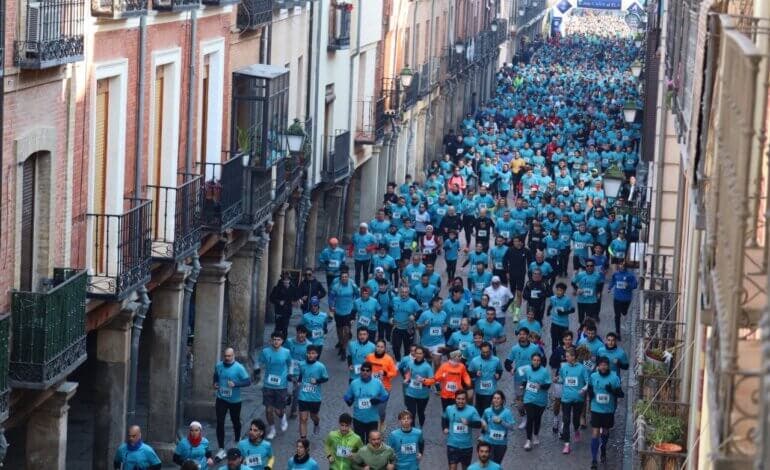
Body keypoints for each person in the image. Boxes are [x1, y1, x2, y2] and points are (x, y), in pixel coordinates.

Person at [588, 357, 624, 469]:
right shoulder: (593, 376)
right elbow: (589, 388)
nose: (603, 367)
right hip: (596, 409)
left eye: (605, 365)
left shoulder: (614, 378)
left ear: (608, 366)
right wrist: (591, 395)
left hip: (608, 410)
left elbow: (621, 394)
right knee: (595, 433)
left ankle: (603, 447)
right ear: (598, 366)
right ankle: (594, 459)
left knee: (605, 431)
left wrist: (612, 391)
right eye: (601, 365)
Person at [343, 361, 390, 444]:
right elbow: (347, 396)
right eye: (363, 370)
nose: (365, 372)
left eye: (367, 370)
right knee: (359, 443)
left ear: (371, 372)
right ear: (360, 371)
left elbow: (385, 396)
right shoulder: (354, 383)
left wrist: (379, 400)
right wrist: (348, 400)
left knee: (371, 444)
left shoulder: (377, 383)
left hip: (372, 419)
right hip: (358, 418)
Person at [504, 328, 542, 429]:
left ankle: (532, 418)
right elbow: (507, 362)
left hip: (532, 379)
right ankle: (524, 417)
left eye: (524, 334)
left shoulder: (534, 348)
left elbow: (543, 361)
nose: (522, 336)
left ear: (527, 336)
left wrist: (538, 372)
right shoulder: (515, 349)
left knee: (531, 400)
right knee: (520, 403)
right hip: (519, 379)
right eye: (520, 334)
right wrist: (511, 369)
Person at [214, 347, 252, 447]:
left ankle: (237, 437)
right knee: (220, 422)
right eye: (225, 356)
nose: (227, 358)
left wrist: (235, 384)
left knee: (235, 420)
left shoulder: (239, 368)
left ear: (233, 355)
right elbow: (216, 375)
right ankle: (221, 447)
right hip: (221, 398)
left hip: (234, 400)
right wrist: (215, 383)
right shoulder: (219, 366)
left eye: (229, 356)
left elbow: (248, 382)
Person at [257, 333, 292, 439]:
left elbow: (290, 364)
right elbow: (259, 362)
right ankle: (272, 429)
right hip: (268, 385)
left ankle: (283, 417)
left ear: (282, 341)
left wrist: (290, 374)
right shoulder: (265, 352)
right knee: (268, 410)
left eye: (278, 339)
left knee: (278, 411)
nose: (276, 341)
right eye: (274, 339)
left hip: (281, 385)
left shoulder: (286, 352)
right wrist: (256, 370)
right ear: (271, 341)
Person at [559, 348, 589, 454]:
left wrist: (583, 389)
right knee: (566, 421)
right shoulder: (563, 367)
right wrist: (557, 380)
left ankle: (576, 430)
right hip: (566, 398)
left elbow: (588, 382)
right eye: (566, 356)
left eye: (567, 356)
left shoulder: (582, 368)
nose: (565, 358)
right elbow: (562, 379)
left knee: (576, 419)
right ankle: (567, 445)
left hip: (578, 399)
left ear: (573, 357)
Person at [442, 389, 482, 470]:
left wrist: (468, 423)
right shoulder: (449, 409)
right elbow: (444, 418)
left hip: (467, 447)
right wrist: (445, 427)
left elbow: (479, 424)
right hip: (452, 445)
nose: (460, 401)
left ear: (466, 400)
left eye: (463, 399)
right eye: (458, 399)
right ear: (455, 399)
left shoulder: (472, 410)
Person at [295, 345, 329, 438]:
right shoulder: (301, 364)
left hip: (315, 398)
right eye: (309, 353)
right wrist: (298, 381)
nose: (310, 355)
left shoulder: (321, 366)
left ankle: (316, 423)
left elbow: (326, 378)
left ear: (317, 355)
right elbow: (301, 374)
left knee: (313, 416)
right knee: (303, 418)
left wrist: (317, 381)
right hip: (303, 396)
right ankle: (303, 439)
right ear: (306, 354)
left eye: (313, 353)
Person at [365, 340, 398, 432]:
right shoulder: (370, 357)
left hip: (384, 388)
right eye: (378, 346)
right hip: (371, 387)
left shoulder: (388, 359)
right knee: (370, 408)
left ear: (385, 348)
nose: (379, 348)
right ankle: (372, 428)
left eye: (381, 347)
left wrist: (385, 373)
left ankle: (382, 421)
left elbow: (394, 372)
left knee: (381, 410)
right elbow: (365, 367)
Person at [521, 352, 551, 450]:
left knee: (537, 418)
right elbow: (525, 380)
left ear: (540, 361)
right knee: (530, 418)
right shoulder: (528, 370)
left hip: (540, 400)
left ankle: (536, 434)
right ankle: (528, 440)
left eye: (538, 360)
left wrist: (541, 386)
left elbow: (548, 385)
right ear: (531, 360)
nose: (536, 362)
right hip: (529, 398)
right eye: (534, 360)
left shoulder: (544, 371)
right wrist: (523, 385)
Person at [400, 346, 435, 428]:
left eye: (420, 353)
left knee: (421, 413)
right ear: (414, 354)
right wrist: (407, 378)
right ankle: (412, 430)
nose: (418, 355)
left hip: (423, 395)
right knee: (411, 412)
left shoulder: (427, 367)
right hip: (410, 393)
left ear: (423, 355)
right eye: (417, 353)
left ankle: (421, 428)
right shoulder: (410, 363)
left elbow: (432, 380)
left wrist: (424, 380)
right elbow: (408, 372)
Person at [479, 390, 515, 464]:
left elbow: (511, 427)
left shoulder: (507, 412)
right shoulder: (487, 411)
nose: (496, 400)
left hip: (501, 444)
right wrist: (482, 435)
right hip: (488, 441)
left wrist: (501, 422)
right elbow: (483, 424)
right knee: (489, 463)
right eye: (494, 398)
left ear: (502, 400)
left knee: (497, 465)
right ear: (492, 400)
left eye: (498, 398)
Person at [330, 271, 360, 360]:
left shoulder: (352, 285)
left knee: (346, 330)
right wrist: (331, 306)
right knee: (339, 331)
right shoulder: (336, 286)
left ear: (348, 277)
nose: (344, 278)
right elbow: (331, 297)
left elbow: (357, 293)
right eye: (342, 277)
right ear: (340, 278)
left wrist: (355, 302)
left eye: (346, 277)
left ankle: (343, 350)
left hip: (349, 311)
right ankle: (341, 342)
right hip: (338, 312)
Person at [467, 342, 503, 414]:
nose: (486, 354)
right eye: (483, 352)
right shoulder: (474, 361)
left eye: (487, 352)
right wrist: (475, 374)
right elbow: (468, 373)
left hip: (491, 390)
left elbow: (500, 370)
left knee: (487, 410)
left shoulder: (496, 360)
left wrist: (498, 375)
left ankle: (487, 423)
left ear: (491, 351)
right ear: (480, 351)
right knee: (479, 410)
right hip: (479, 391)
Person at [608, 261, 638, 340]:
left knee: (624, 312)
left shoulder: (630, 275)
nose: (621, 266)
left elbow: (635, 285)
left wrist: (629, 285)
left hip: (626, 298)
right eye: (620, 264)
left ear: (626, 267)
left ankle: (624, 313)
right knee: (617, 315)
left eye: (623, 265)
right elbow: (613, 281)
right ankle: (617, 332)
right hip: (617, 298)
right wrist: (609, 287)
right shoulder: (616, 274)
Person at [286, 325, 311, 420]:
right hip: (289, 370)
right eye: (299, 332)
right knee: (288, 392)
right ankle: (288, 398)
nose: (301, 335)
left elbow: (308, 361)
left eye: (303, 333)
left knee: (297, 393)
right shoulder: (289, 342)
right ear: (296, 332)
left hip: (300, 372)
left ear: (305, 334)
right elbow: (284, 353)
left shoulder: (309, 345)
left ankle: (293, 410)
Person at [390, 285, 420, 361]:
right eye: (402, 292)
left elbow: (420, 311)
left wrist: (414, 316)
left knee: (408, 348)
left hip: (408, 329)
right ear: (400, 292)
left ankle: (406, 362)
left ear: (408, 293)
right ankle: (398, 361)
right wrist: (390, 317)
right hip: (397, 327)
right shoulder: (395, 300)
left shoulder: (413, 302)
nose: (404, 294)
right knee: (396, 347)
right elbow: (389, 308)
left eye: (406, 292)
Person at [572, 259, 603, 324]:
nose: (589, 267)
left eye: (591, 266)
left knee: (588, 319)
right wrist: (577, 289)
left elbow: (600, 284)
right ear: (585, 266)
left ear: (594, 266)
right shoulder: (580, 275)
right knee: (581, 319)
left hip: (591, 301)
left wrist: (598, 293)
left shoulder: (597, 275)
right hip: (581, 300)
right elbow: (573, 283)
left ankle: (587, 332)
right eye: (587, 266)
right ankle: (582, 330)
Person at [547, 282, 575, 353]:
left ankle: (564, 356)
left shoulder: (567, 300)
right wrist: (548, 310)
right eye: (557, 290)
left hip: (563, 325)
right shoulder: (552, 298)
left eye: (561, 290)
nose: (559, 292)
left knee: (563, 342)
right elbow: (551, 305)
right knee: (554, 342)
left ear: (564, 291)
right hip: (554, 323)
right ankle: (554, 355)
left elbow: (573, 310)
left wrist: (564, 313)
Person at [269, 272, 297, 338]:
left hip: (287, 311)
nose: (286, 281)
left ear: (290, 280)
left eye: (288, 280)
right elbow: (271, 298)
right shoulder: (277, 288)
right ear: (282, 280)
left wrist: (296, 301)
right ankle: (276, 340)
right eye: (285, 280)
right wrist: (279, 302)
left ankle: (283, 342)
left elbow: (295, 297)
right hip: (279, 311)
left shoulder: (292, 288)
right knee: (278, 328)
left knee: (285, 328)